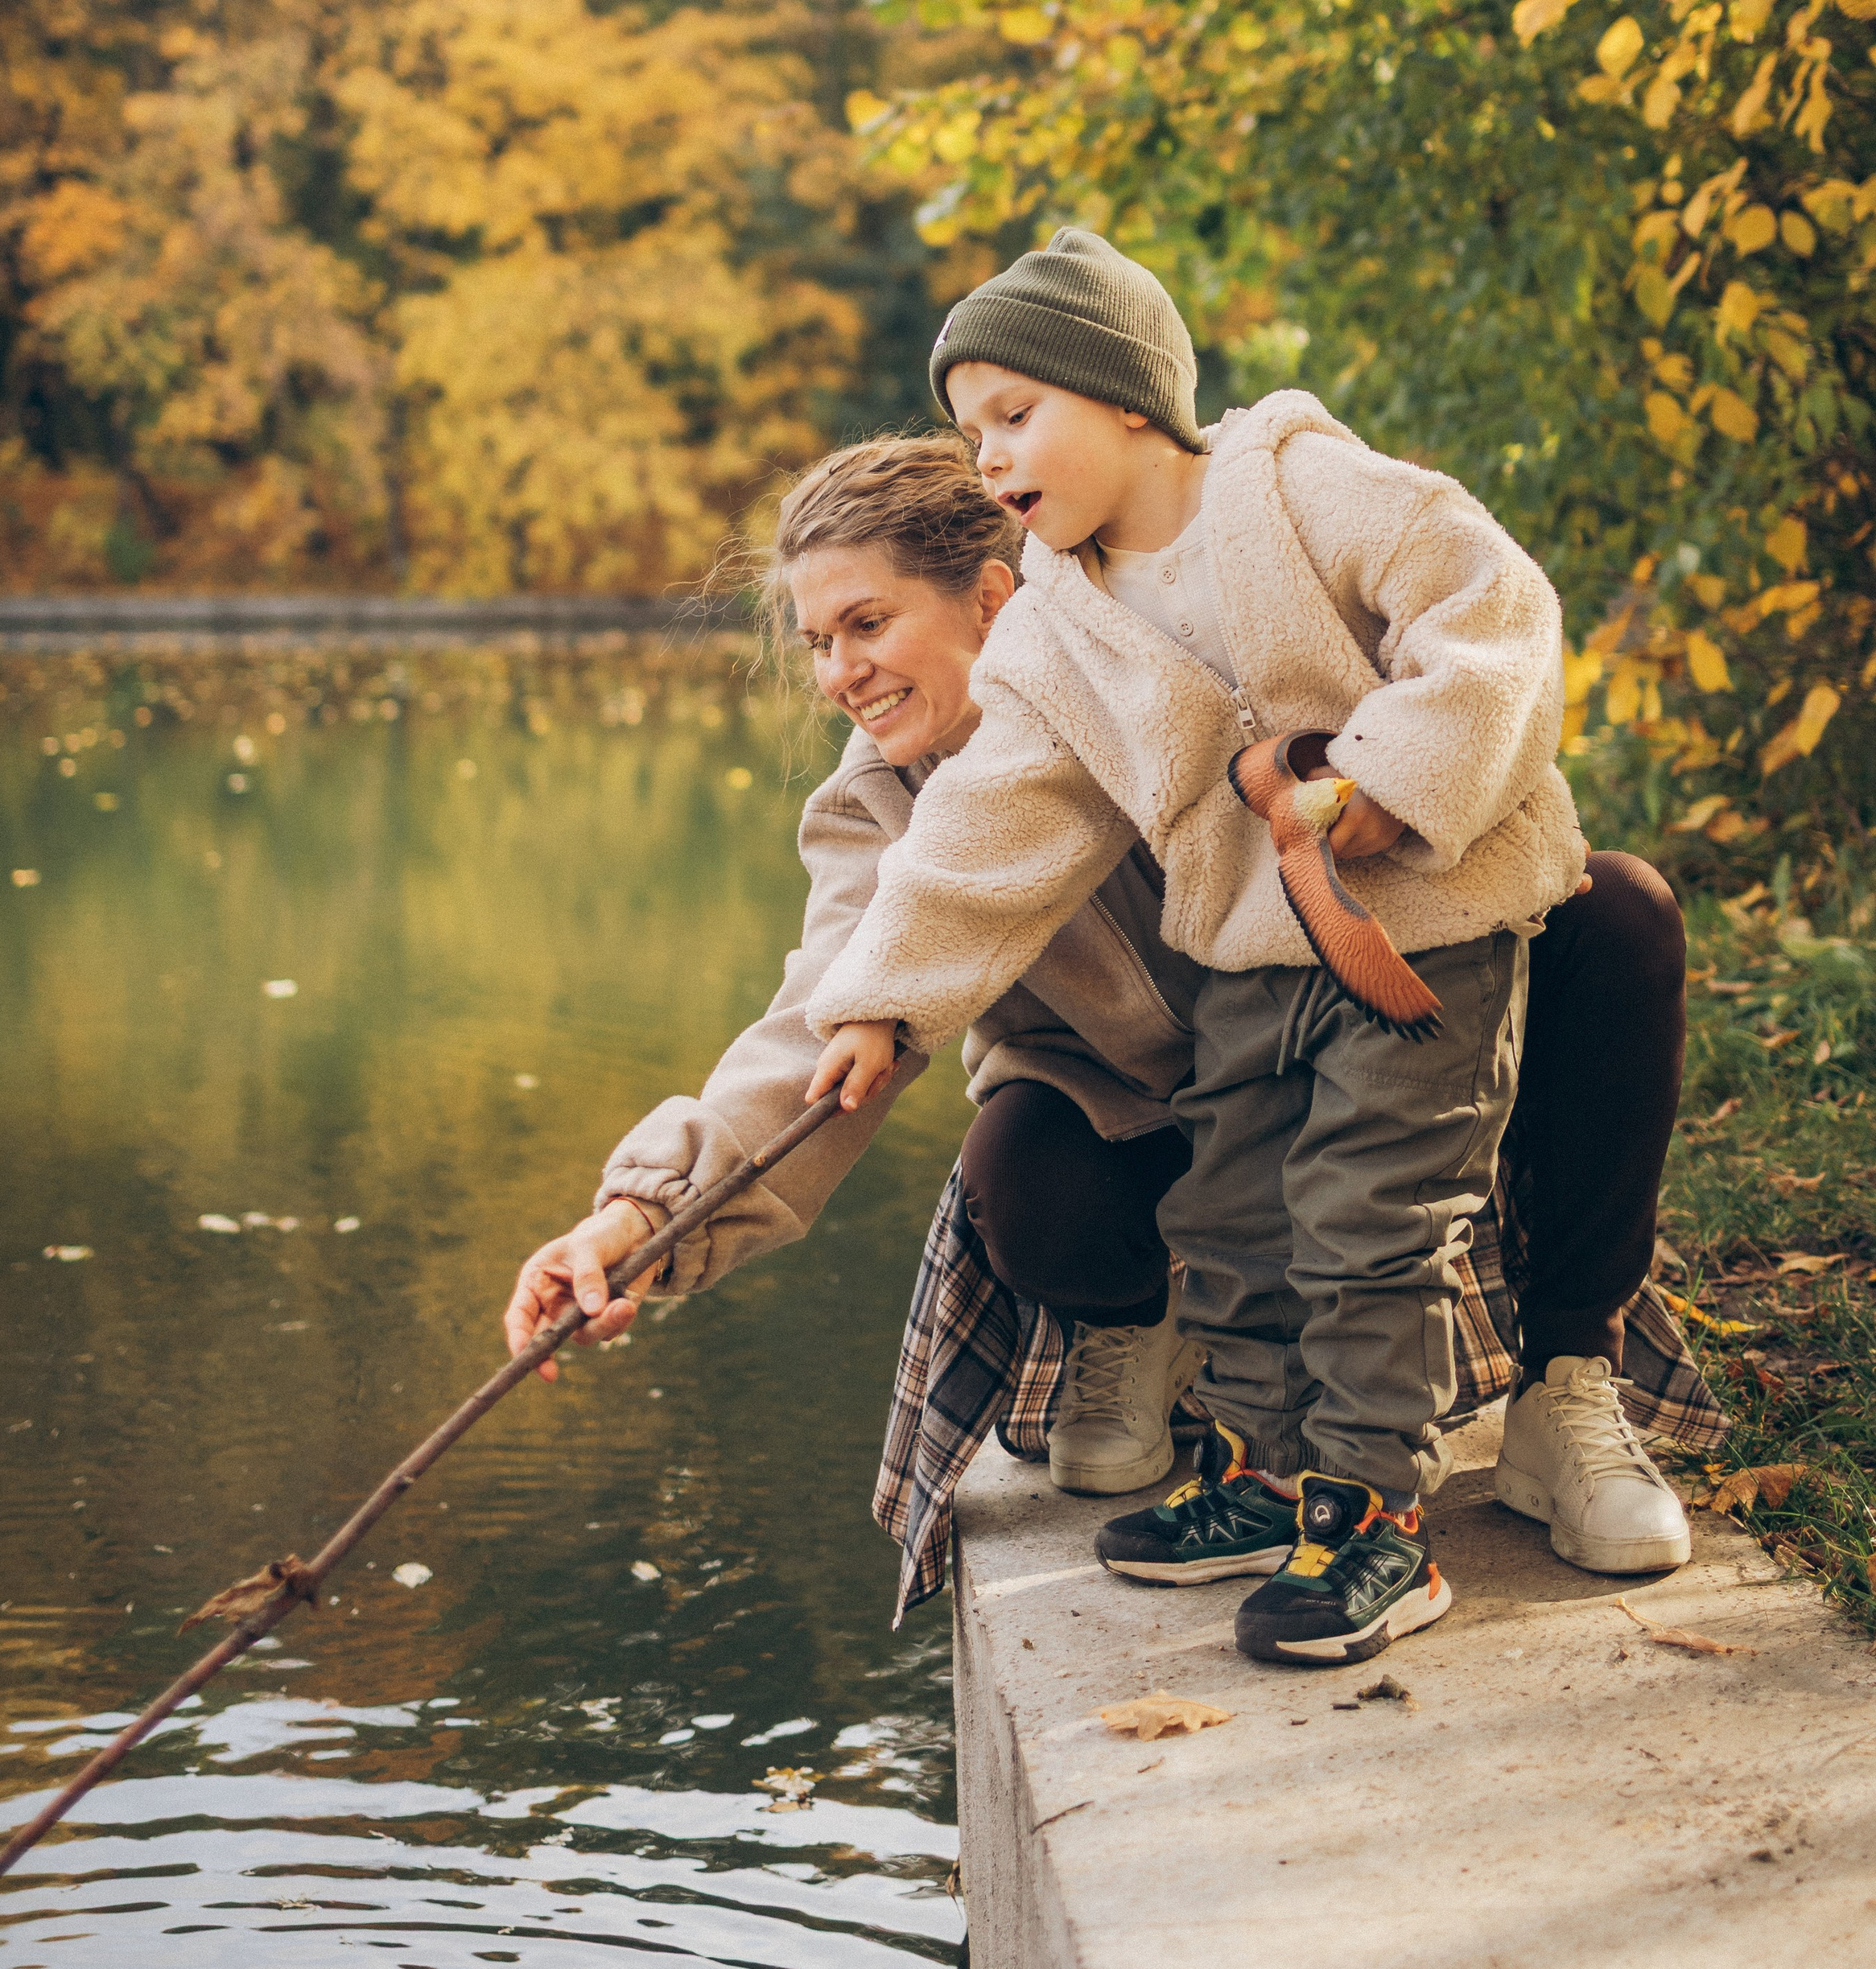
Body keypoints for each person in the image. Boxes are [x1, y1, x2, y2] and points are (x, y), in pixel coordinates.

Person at [505, 406, 1705, 1625]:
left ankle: (1568, 1381)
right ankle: (1157, 1338)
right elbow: (819, 1025)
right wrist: (633, 1226)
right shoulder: (880, 807)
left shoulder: (1169, 673)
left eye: (868, 624)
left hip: (1371, 1059)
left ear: (990, 599)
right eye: (818, 642)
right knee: (1016, 1153)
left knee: (1615, 911)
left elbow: (1427, 708)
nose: (839, 672)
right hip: (1162, 1139)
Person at [802, 229, 1682, 1669]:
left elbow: (1493, 613)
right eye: (973, 435)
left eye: (1015, 416)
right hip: (1248, 970)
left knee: (1367, 1222)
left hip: (1416, 939)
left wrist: (1393, 778)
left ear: (1132, 398)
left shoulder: (1298, 485)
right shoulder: (1055, 625)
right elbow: (985, 822)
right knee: (1236, 1225)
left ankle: (1376, 1518)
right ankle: (1271, 1480)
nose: (992, 461)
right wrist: (882, 1002)